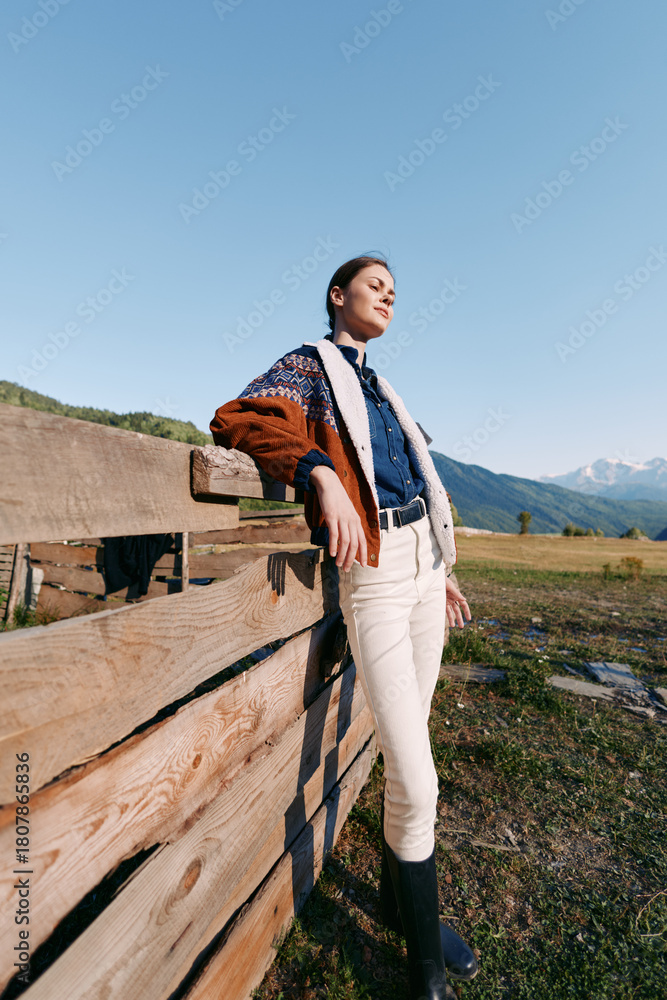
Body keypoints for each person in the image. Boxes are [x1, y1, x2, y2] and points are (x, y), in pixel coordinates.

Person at [210, 255, 477, 1000]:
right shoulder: (309, 367)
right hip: (377, 573)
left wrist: (442, 563)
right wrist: (315, 472)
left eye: (395, 289)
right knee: (419, 778)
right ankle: (422, 971)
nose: (389, 293)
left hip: (423, 565)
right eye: (373, 284)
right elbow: (240, 418)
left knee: (408, 742)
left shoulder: (381, 387)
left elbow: (411, 477)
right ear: (337, 297)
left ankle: (399, 905)